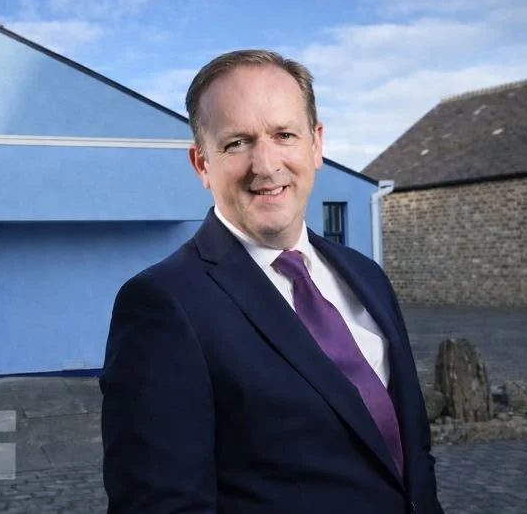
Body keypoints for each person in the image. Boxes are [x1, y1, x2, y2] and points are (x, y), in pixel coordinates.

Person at [98, 49, 444, 513]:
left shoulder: (367, 276)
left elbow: (412, 454)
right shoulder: (162, 304)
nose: (265, 165)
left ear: (315, 144)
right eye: (237, 142)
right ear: (202, 164)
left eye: (283, 134)